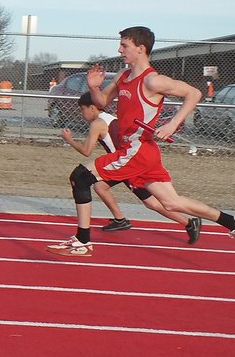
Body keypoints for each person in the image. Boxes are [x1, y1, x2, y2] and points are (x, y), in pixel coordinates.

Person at [47, 26, 235, 257]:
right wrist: (94, 86)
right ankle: (231, 222)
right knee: (171, 203)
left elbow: (194, 93)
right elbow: (102, 101)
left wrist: (172, 124)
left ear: (141, 48)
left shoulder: (153, 81)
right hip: (141, 151)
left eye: (124, 45)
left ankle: (83, 241)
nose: (119, 49)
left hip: (137, 149)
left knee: (80, 177)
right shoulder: (123, 77)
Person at [60, 92, 201, 243]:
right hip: (124, 162)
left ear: (93, 108)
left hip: (125, 166)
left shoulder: (98, 124)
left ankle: (188, 222)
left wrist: (69, 140)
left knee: (153, 203)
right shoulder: (112, 118)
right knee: (100, 186)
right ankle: (120, 219)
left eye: (83, 109)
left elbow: (86, 151)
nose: (82, 113)